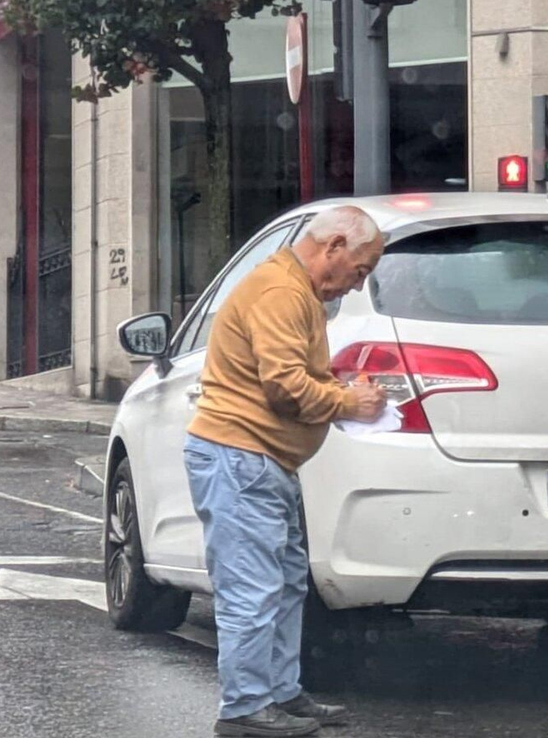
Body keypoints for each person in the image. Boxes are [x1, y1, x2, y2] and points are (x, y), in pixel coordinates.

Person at [183, 206, 388, 737]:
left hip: (260, 460)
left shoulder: (293, 291)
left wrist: (342, 393)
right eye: (360, 270)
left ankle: (278, 693)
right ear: (334, 246)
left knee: (282, 584)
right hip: (241, 457)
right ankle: (247, 709)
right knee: (253, 588)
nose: (357, 281)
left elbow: (289, 376)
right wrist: (348, 403)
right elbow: (284, 385)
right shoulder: (280, 293)